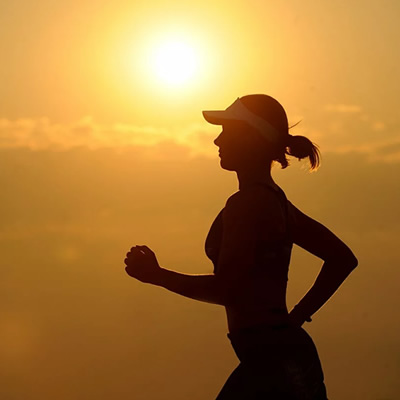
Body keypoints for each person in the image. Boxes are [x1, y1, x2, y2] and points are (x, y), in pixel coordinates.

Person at [124, 94, 358, 399]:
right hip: (278, 359)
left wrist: (157, 276)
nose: (217, 141)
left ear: (252, 137)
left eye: (227, 131)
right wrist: (296, 318)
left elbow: (229, 291)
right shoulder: (275, 201)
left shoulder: (248, 203)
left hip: (275, 365)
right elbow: (342, 259)